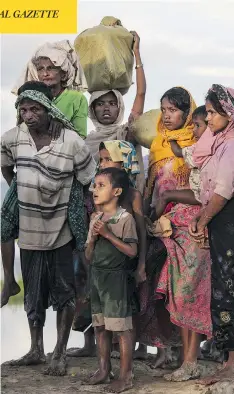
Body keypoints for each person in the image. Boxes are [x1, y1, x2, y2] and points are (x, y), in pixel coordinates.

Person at [1, 82, 96, 374]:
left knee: (64, 292)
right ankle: (35, 349)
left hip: (60, 229)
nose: (28, 116)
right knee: (33, 292)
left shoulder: (71, 142)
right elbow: (6, 165)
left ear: (49, 110)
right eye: (23, 110)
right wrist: (19, 189)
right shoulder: (13, 138)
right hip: (29, 231)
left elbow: (87, 179)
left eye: (35, 109)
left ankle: (59, 353)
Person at [2, 43, 89, 307]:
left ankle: (84, 286)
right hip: (29, 172)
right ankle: (9, 279)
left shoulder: (74, 99)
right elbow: (15, 143)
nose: (45, 73)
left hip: (64, 171)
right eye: (40, 68)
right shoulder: (30, 96)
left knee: (79, 231)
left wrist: (57, 122)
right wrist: (17, 183)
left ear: (63, 71)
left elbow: (80, 137)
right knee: (5, 224)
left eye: (51, 68)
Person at [139, 87, 212, 381]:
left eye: (173, 110)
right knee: (160, 291)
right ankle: (168, 352)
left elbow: (206, 192)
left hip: (193, 228)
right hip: (162, 227)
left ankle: (190, 361)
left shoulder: (200, 144)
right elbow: (152, 187)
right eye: (164, 110)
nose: (167, 116)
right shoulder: (157, 145)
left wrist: (170, 196)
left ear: (186, 112)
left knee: (188, 293)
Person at [189, 84, 234, 384]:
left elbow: (223, 191)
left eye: (214, 113)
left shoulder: (232, 145)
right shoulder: (219, 142)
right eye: (208, 112)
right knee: (223, 286)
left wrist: (203, 220)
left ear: (230, 114)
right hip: (223, 221)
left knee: (231, 288)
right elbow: (196, 157)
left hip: (232, 221)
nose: (209, 118)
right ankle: (229, 360)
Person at [69, 140, 147, 359]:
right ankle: (102, 359)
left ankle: (126, 363)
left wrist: (141, 265)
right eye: (100, 159)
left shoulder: (133, 196)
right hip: (100, 264)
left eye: (108, 159)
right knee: (99, 312)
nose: (102, 163)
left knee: (125, 311)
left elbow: (141, 234)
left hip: (124, 266)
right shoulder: (100, 193)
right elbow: (94, 232)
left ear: (125, 163)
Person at [84, 168, 138, 393]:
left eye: (101, 185)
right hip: (97, 278)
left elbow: (132, 251)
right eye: (95, 185)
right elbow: (88, 255)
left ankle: (125, 376)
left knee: (121, 329)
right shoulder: (95, 218)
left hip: (116, 280)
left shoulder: (125, 218)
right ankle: (104, 370)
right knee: (100, 326)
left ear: (116, 191)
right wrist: (94, 240)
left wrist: (108, 235)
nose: (95, 190)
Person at [85, 31, 146, 194]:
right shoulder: (86, 143)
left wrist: (136, 53)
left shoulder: (126, 134)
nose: (106, 108)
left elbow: (141, 94)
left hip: (125, 208)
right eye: (100, 104)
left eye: (112, 104)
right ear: (92, 109)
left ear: (120, 107)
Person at [152, 105, 208, 217]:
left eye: (197, 125)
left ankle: (149, 223)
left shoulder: (200, 148)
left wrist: (172, 139)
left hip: (201, 194)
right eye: (163, 110)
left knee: (166, 195)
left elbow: (178, 152)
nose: (193, 130)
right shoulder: (206, 145)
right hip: (201, 192)